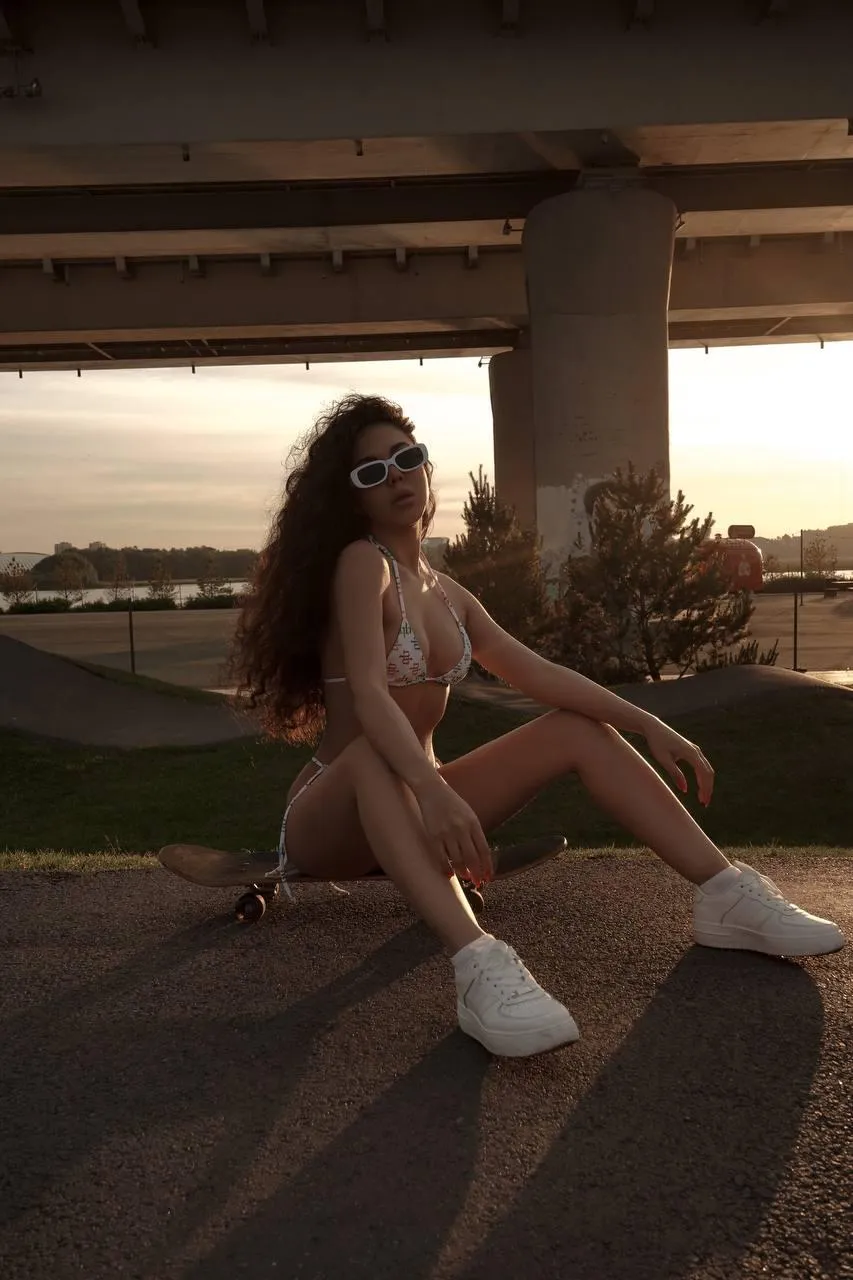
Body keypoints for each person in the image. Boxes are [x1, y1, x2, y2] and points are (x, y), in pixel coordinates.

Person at [230, 393, 845, 1059]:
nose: (396, 477)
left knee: (576, 727)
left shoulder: (444, 592)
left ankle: (725, 895)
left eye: (405, 459)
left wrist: (649, 723)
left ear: (428, 469)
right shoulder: (363, 564)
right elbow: (372, 700)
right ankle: (478, 967)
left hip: (416, 808)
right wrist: (433, 792)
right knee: (379, 758)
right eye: (371, 472)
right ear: (354, 499)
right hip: (335, 815)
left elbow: (537, 673)